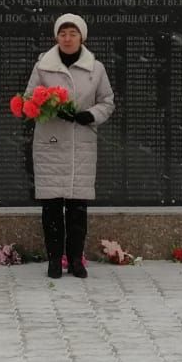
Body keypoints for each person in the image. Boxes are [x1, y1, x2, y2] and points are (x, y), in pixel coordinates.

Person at [26, 14, 115, 279]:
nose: (67, 38)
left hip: (81, 144)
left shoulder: (95, 68)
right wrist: (48, 105)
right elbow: (29, 98)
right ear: (56, 37)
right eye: (63, 33)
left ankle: (76, 259)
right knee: (52, 207)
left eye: (72, 33)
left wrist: (91, 115)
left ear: (82, 37)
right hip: (51, 144)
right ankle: (54, 260)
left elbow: (107, 101)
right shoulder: (43, 66)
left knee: (77, 208)